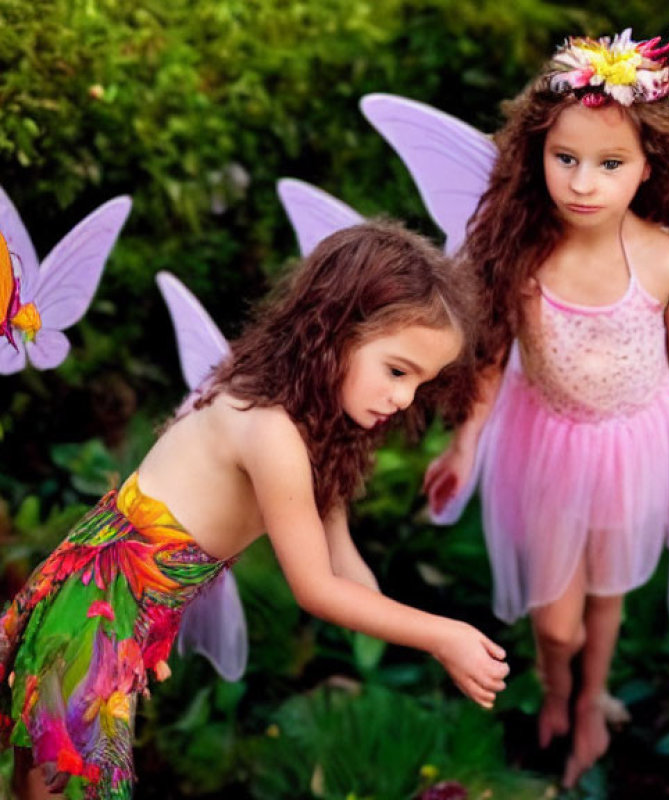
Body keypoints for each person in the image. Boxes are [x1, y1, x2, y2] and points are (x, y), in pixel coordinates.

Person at [0, 221, 510, 799]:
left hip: (113, 622)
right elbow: (316, 588)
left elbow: (345, 572)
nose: (404, 398)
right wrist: (441, 635)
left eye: (422, 382)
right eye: (397, 371)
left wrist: (401, 630)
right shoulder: (268, 431)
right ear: (335, 328)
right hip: (90, 618)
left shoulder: (312, 430)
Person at [422, 28, 669, 786]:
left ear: (647, 169)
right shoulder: (521, 255)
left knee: (610, 586)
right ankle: (555, 682)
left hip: (640, 438)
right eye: (564, 159)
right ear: (536, 153)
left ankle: (588, 701)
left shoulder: (668, 260)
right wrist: (466, 446)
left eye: (609, 164)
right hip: (547, 440)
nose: (582, 182)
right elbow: (490, 358)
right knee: (556, 618)